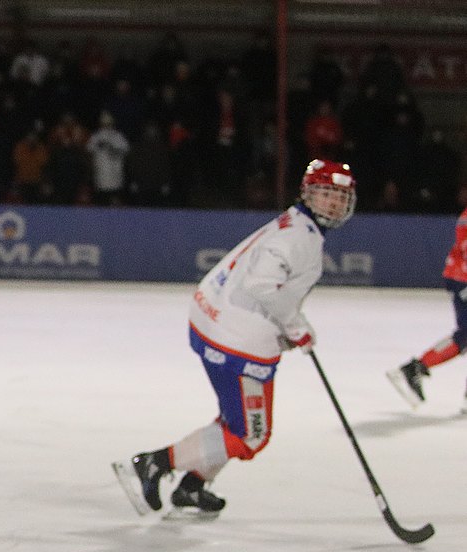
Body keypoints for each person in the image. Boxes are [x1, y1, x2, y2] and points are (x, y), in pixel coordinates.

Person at [112, 159, 357, 516]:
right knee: (249, 435)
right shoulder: (297, 238)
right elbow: (261, 284)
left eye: (339, 196)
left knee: (235, 420)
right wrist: (294, 325)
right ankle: (153, 464)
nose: (333, 203)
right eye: (325, 194)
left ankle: (192, 486)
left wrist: (287, 323)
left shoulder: (296, 225)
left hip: (216, 324)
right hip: (236, 342)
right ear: (308, 193)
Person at [386, 204, 467, 412]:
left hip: (460, 276)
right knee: (465, 335)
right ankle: (415, 368)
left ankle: (416, 368)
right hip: (463, 279)